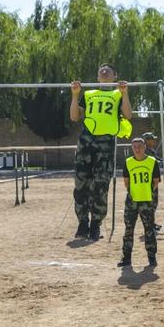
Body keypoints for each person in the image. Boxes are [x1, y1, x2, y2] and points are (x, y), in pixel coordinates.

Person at [70, 63, 132, 241]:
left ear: (115, 76)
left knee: (101, 185)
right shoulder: (89, 94)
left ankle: (95, 224)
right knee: (81, 183)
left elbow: (128, 115)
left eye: (108, 70)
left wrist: (125, 94)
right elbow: (74, 116)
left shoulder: (118, 94)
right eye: (101, 71)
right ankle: (83, 223)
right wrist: (75, 95)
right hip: (86, 142)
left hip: (105, 145)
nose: (104, 72)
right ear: (97, 77)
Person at [118, 137, 160, 267]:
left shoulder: (152, 161)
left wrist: (146, 192)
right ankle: (126, 258)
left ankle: (152, 258)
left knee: (149, 230)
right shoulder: (128, 162)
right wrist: (134, 192)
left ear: (144, 147)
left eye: (140, 146)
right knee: (128, 229)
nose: (137, 149)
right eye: (135, 147)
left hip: (147, 201)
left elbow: (156, 181)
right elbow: (126, 182)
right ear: (132, 148)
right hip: (132, 201)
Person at [142, 131, 162, 232]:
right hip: (148, 181)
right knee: (150, 204)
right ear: (147, 140)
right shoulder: (145, 151)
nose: (154, 141)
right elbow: (155, 162)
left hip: (153, 180)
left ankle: (151, 223)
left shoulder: (151, 150)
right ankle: (149, 225)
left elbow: (158, 160)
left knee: (154, 204)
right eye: (152, 139)